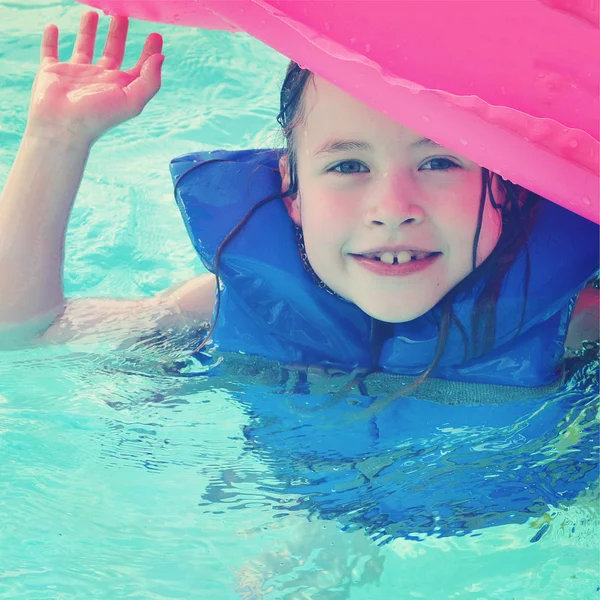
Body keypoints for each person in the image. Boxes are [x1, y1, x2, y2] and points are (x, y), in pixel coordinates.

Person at [0, 12, 598, 389]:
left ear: (511, 187)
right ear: (291, 193)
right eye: (347, 165)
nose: (392, 207)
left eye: (440, 162)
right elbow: (26, 333)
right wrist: (56, 140)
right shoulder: (223, 303)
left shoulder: (575, 323)